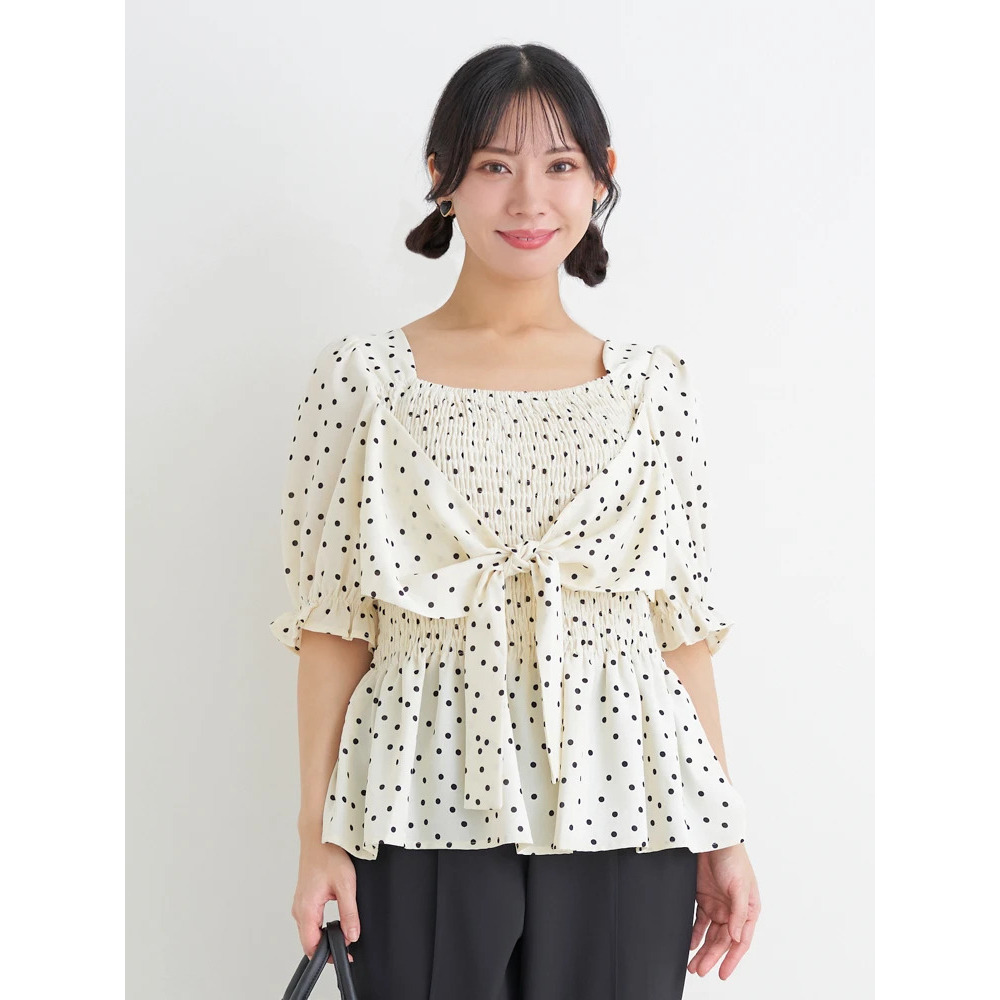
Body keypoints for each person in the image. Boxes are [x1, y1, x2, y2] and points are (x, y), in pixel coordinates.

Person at [270, 42, 761, 1000]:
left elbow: (681, 632)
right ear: (443, 177)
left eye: (559, 164)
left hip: (629, 804)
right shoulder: (362, 380)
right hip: (417, 798)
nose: (529, 199)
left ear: (601, 177)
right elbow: (333, 625)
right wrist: (316, 836)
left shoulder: (653, 388)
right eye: (495, 165)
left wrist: (724, 831)